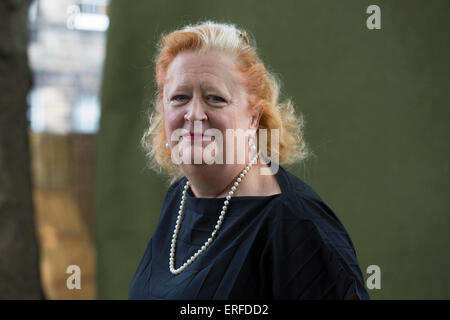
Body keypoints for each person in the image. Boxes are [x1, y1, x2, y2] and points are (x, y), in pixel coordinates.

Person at [129, 20, 370, 300]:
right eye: (179, 97)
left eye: (215, 98)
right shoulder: (180, 197)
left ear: (253, 118)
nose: (194, 114)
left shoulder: (293, 220)